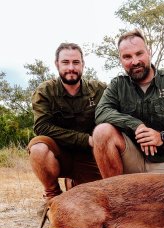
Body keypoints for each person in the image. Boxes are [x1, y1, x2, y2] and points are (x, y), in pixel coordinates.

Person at [92, 29, 164, 178]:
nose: (135, 61)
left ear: (149, 52)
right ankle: (113, 196)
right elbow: (101, 112)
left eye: (139, 54)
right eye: (127, 57)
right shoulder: (117, 85)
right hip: (131, 160)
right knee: (101, 132)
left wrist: (163, 137)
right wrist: (136, 125)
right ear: (121, 60)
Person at [28, 42, 106, 205]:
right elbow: (42, 127)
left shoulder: (99, 90)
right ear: (57, 64)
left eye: (76, 62)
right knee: (38, 148)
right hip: (59, 153)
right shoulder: (45, 91)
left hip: (89, 155)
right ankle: (52, 194)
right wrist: (86, 139)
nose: (71, 68)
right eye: (65, 62)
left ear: (83, 65)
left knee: (93, 202)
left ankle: (74, 182)